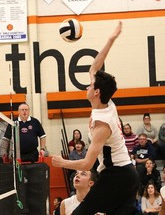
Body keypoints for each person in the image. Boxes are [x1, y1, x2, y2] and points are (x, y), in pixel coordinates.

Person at [52, 21, 139, 214]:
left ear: (97, 92)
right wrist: (110, 39)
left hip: (117, 175)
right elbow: (94, 67)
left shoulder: (102, 124)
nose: (87, 87)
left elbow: (87, 164)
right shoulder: (105, 101)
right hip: (124, 174)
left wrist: (62, 162)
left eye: (90, 87)